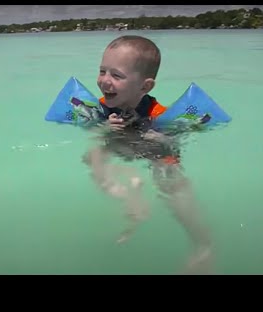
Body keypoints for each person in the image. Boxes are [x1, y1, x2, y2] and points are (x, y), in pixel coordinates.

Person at [82, 35, 213, 274]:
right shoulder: (101, 108)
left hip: (153, 152)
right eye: (102, 71)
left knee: (170, 180)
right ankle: (126, 193)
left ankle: (202, 246)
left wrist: (158, 138)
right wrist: (104, 127)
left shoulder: (158, 113)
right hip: (120, 145)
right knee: (90, 156)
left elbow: (174, 140)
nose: (104, 81)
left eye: (116, 75)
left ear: (145, 86)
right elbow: (95, 131)